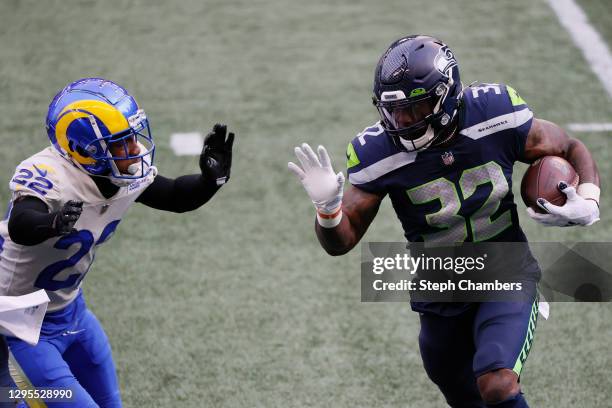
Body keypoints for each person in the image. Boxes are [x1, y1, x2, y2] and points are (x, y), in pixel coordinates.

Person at [289, 35, 600, 407]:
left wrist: (589, 198)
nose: (402, 121)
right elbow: (342, 241)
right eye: (393, 110)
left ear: (446, 95)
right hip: (438, 290)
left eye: (415, 108)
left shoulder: (494, 112)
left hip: (507, 270)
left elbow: (568, 147)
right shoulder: (376, 151)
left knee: (497, 383)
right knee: (467, 397)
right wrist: (328, 210)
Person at [0, 77, 235, 407]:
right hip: (16, 322)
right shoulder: (49, 174)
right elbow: (21, 223)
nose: (135, 148)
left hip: (71, 310)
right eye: (121, 142)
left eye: (131, 137)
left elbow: (175, 196)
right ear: (87, 150)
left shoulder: (119, 175)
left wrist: (212, 181)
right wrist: (51, 222)